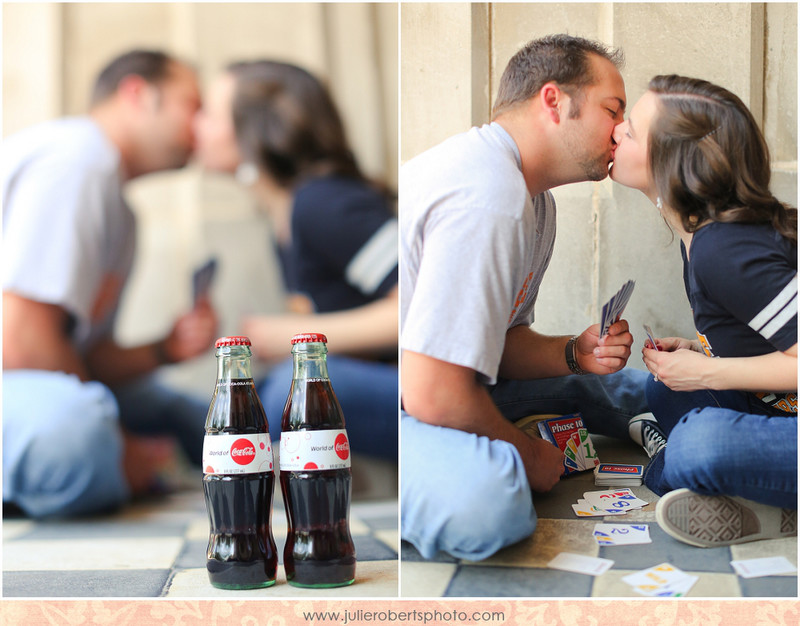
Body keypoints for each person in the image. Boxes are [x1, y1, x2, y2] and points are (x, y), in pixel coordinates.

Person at [400, 34, 650, 561]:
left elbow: (501, 341)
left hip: (443, 387)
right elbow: (432, 392)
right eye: (613, 110)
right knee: (490, 504)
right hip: (391, 404)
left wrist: (573, 354)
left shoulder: (535, 203)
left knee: (597, 385)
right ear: (554, 101)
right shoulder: (487, 195)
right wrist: (528, 456)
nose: (622, 130)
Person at [2, 50, 218, 519]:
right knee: (78, 433)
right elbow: (21, 343)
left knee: (176, 409)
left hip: (26, 377)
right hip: (14, 376)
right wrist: (123, 448)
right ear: (139, 94)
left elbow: (78, 357)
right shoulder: (79, 161)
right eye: (192, 105)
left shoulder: (118, 205)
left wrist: (163, 350)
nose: (201, 128)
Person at [610, 74, 797, 547]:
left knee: (699, 445)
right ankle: (763, 501)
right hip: (781, 411)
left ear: (672, 163)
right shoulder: (699, 235)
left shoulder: (724, 249)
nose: (615, 131)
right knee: (664, 388)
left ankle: (698, 475)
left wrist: (708, 374)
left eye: (630, 130)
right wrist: (700, 353)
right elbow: (767, 338)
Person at [194, 60, 398, 461]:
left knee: (278, 394)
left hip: (420, 391)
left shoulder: (324, 204)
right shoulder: (284, 218)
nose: (196, 124)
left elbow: (422, 305)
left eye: (211, 115)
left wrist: (293, 334)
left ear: (254, 132)